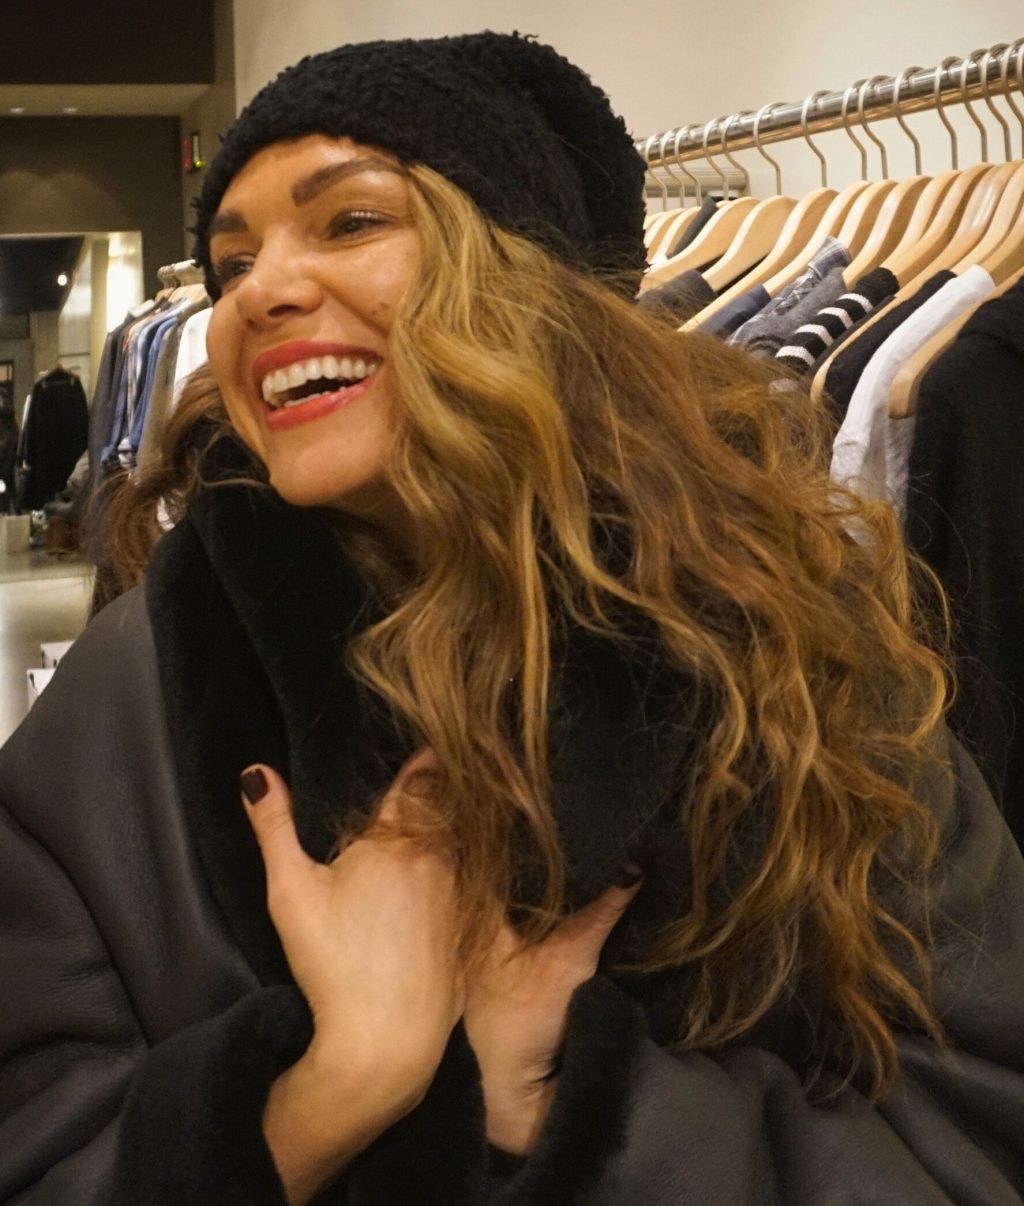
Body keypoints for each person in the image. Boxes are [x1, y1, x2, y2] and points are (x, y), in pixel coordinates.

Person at [1, 31, 1022, 1206]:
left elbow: (977, 1132)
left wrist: (563, 1100)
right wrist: (334, 1085)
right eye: (233, 263)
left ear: (527, 284)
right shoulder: (136, 693)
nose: (257, 292)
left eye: (349, 222)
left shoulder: (791, 658)